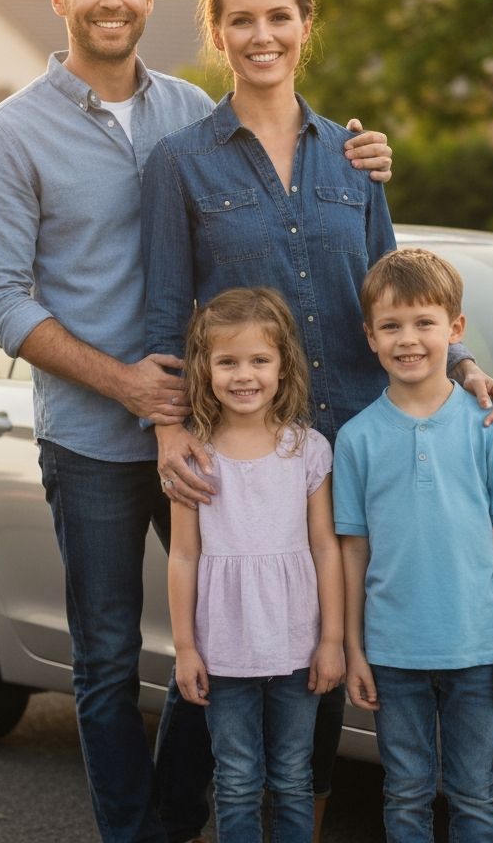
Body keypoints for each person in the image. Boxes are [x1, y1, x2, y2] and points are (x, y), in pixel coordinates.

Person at [0, 0, 394, 843]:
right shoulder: (10, 134)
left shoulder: (188, 116)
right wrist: (127, 387)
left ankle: (187, 812)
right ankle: (140, 834)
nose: (112, 0)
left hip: (215, 430)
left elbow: (279, 178)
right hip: (93, 436)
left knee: (246, 634)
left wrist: (358, 150)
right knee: (111, 658)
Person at [141, 0, 493, 835]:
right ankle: (174, 824)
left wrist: (465, 368)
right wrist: (168, 433)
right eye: (241, 19)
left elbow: (399, 298)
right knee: (231, 661)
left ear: (306, 27)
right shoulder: (181, 163)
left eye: (279, 17)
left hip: (353, 448)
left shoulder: (355, 157)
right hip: (245, 455)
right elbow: (164, 314)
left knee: (326, 651)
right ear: (219, 33)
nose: (261, 35)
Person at [333, 249, 493, 843]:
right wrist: (354, 647)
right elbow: (352, 551)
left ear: (455, 330)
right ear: (370, 337)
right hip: (394, 653)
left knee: (476, 794)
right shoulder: (356, 440)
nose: (408, 340)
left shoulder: (486, 424)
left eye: (424, 323)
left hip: (479, 648)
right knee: (406, 793)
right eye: (391, 326)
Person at [168, 287, 344, 842]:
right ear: (205, 369)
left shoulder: (308, 450)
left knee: (293, 775)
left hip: (297, 644)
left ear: (283, 366)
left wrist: (332, 640)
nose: (244, 376)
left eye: (259, 360)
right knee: (238, 778)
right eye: (228, 362)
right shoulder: (193, 456)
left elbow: (325, 548)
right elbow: (184, 554)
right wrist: (186, 647)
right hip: (224, 648)